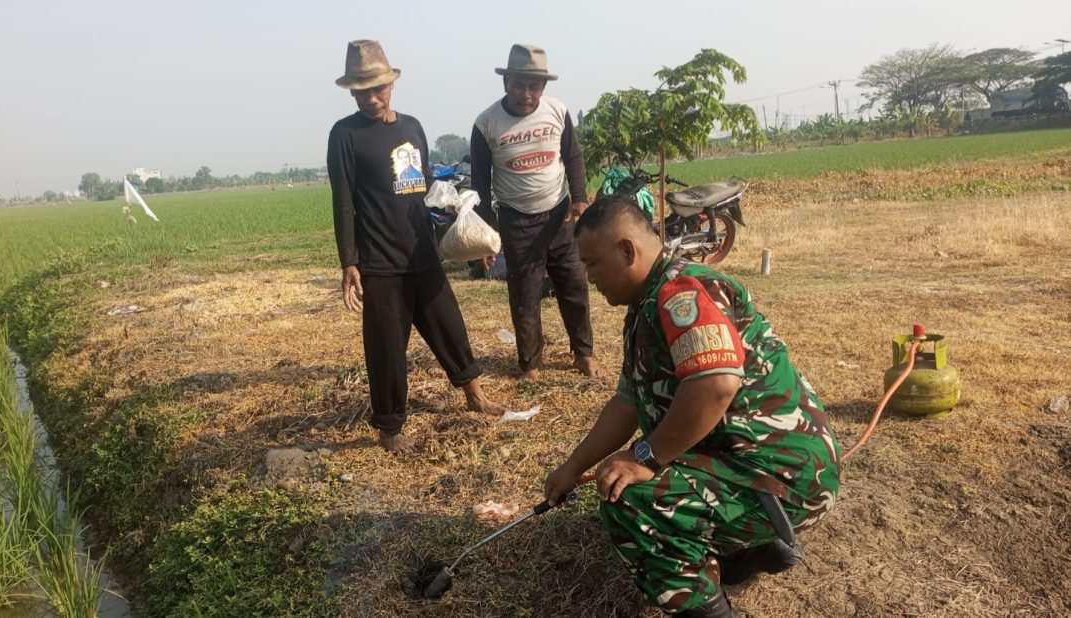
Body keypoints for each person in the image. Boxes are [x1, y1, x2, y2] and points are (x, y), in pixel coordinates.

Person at [543, 195, 840, 617]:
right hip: (749, 463)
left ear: (627, 250)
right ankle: (755, 549)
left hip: (781, 472)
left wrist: (646, 455)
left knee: (631, 499)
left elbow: (715, 386)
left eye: (591, 263)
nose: (588, 277)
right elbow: (627, 404)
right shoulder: (646, 305)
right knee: (627, 476)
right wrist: (572, 468)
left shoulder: (680, 293)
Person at [326, 40, 503, 452]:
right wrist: (349, 261)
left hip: (421, 251)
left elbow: (426, 191)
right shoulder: (345, 136)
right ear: (352, 92)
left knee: (449, 325)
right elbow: (343, 202)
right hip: (380, 261)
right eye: (362, 91)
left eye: (378, 89)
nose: (372, 98)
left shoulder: (412, 127)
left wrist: (458, 223)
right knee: (387, 347)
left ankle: (474, 394)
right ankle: (390, 428)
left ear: (391, 85)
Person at [470, 43, 600, 380]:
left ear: (543, 87)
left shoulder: (557, 111)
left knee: (574, 286)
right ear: (506, 82)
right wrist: (486, 235)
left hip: (560, 217)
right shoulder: (486, 124)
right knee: (525, 297)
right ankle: (530, 364)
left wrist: (579, 197)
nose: (526, 93)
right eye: (519, 84)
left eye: (534, 86)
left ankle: (583, 354)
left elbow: (573, 157)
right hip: (517, 222)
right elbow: (481, 184)